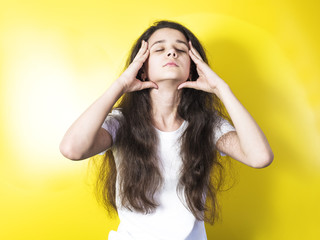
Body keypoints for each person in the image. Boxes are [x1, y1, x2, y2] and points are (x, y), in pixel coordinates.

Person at [59, 20, 274, 240]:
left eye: (181, 49)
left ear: (193, 69)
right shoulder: (121, 123)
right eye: (160, 49)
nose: (171, 53)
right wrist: (121, 85)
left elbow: (260, 157)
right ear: (141, 68)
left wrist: (221, 88)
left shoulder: (208, 125)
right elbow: (71, 149)